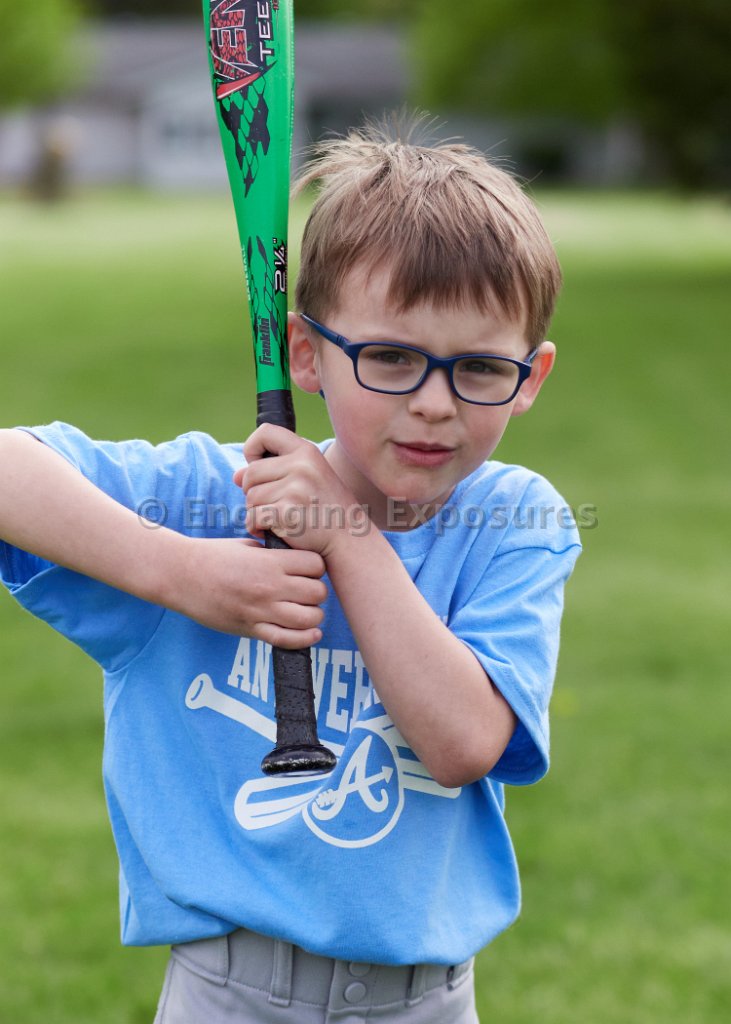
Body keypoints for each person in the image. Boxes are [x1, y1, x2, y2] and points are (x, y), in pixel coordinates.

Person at [0, 122, 581, 1024]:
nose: (434, 404)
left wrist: (345, 536)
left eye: (477, 369)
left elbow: (463, 743)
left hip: (427, 1002)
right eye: (390, 357)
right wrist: (181, 573)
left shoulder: (514, 522)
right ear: (306, 354)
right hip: (226, 995)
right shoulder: (212, 500)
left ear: (530, 375)